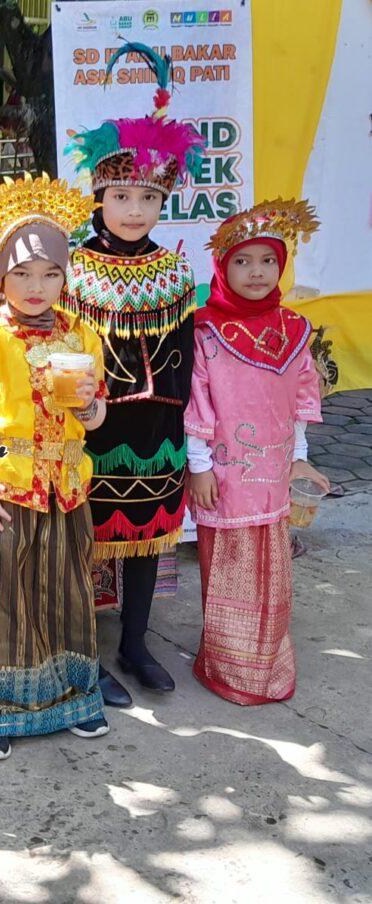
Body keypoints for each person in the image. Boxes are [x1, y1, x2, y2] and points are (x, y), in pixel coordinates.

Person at [0, 175, 109, 760]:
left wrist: (90, 407)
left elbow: (98, 409)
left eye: (51, 274)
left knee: (68, 596)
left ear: (66, 276)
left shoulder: (81, 331)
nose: (37, 287)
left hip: (65, 489)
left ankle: (73, 700)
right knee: (2, 603)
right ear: (0, 275)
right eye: (23, 274)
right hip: (1, 491)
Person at [62, 44, 206, 706]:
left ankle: (136, 644)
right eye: (122, 195)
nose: (135, 210)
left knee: (150, 541)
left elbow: (187, 354)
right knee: (80, 543)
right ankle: (80, 654)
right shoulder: (69, 269)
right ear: (100, 195)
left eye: (148, 197)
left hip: (158, 429)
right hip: (89, 429)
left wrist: (184, 427)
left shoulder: (176, 272)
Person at [186, 199, 328, 705]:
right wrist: (199, 466)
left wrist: (299, 456)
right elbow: (197, 398)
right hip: (224, 476)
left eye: (268, 260)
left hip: (272, 474)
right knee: (227, 570)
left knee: (273, 572)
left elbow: (300, 398)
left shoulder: (294, 328)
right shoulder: (205, 329)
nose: (257, 272)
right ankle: (229, 665)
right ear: (222, 268)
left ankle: (267, 661)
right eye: (243, 261)